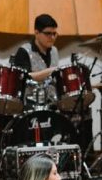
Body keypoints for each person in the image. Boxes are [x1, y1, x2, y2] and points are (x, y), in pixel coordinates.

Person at [10, 13, 93, 150]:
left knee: (82, 108)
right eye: (48, 33)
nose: (52, 37)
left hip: (52, 102)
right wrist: (51, 70)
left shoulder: (54, 51)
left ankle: (81, 157)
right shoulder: (24, 51)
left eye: (55, 34)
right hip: (31, 104)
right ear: (36, 32)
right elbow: (24, 77)